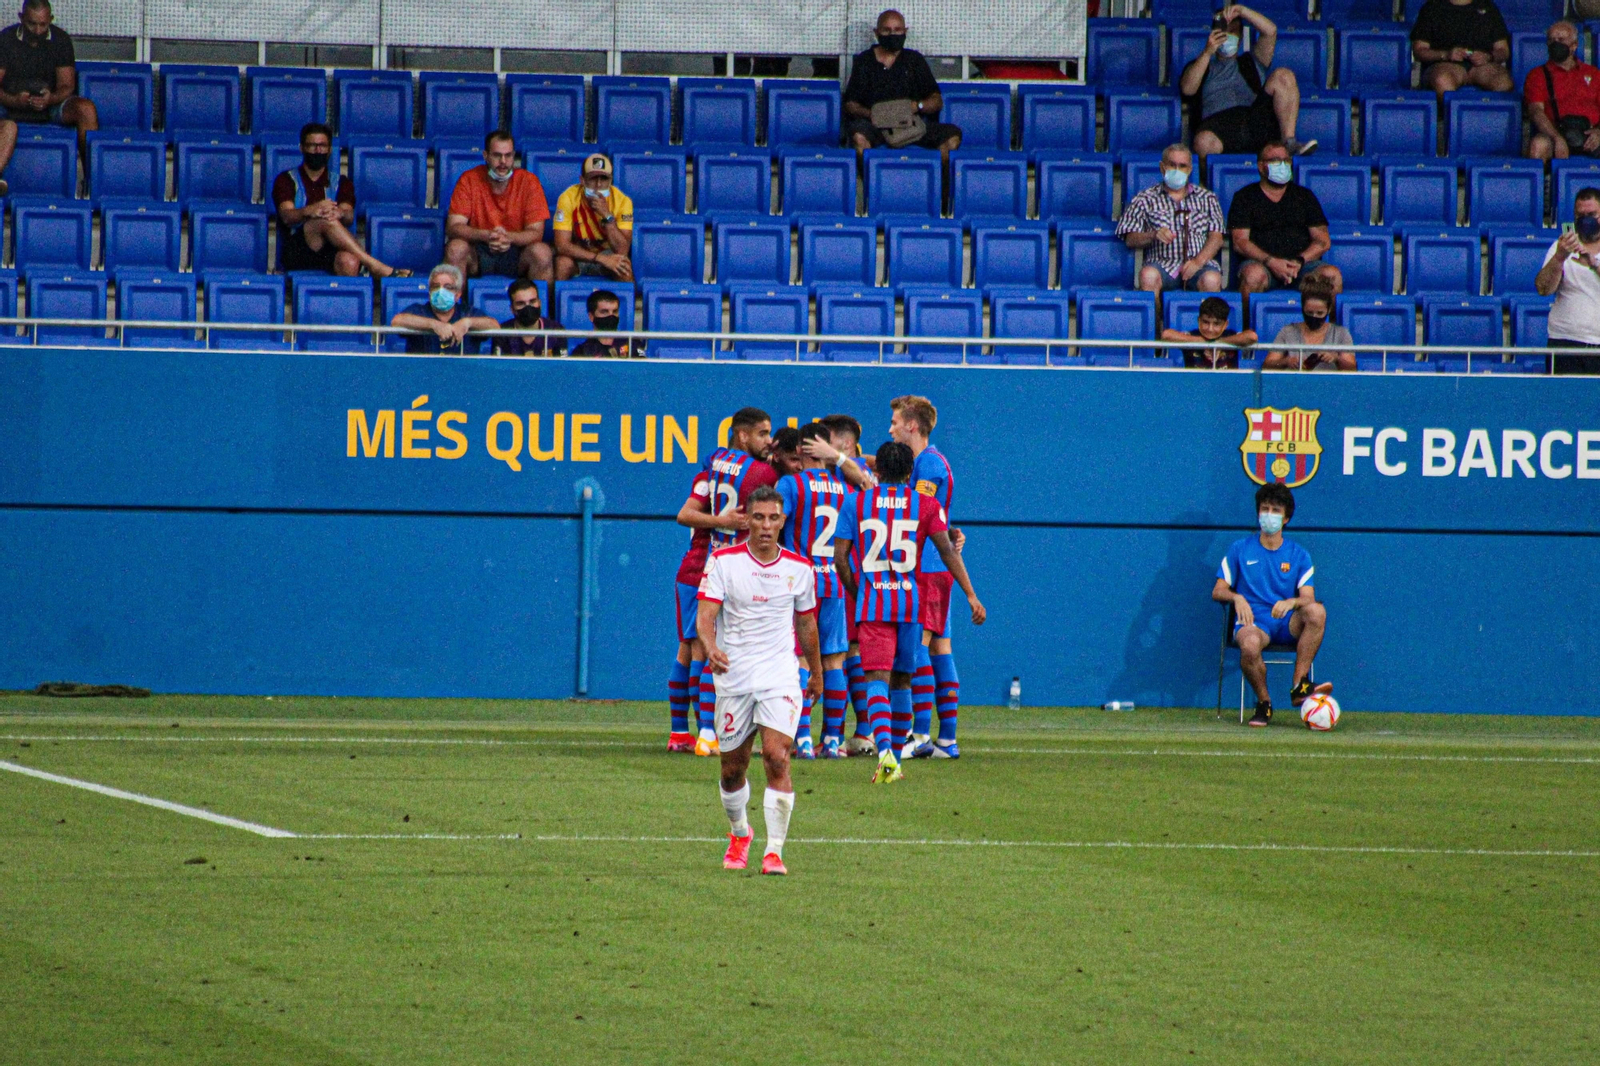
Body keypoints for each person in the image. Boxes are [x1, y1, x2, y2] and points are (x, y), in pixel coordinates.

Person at [833, 441, 985, 783]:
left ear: (878, 471)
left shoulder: (856, 503)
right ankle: (897, 756)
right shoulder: (926, 504)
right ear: (908, 472)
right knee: (903, 679)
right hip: (909, 605)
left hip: (873, 604)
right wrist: (971, 595)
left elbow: (841, 557)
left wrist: (858, 593)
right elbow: (947, 551)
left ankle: (887, 754)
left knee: (877, 679)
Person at [697, 487, 823, 877]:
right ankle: (740, 833)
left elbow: (806, 623)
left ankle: (775, 851)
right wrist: (710, 646)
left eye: (773, 518)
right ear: (746, 519)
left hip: (780, 675)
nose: (766, 526)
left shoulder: (800, 569)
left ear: (783, 521)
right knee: (732, 769)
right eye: (758, 518)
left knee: (776, 756)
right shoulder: (722, 562)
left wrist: (816, 673)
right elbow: (706, 615)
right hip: (734, 675)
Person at [689, 407, 781, 756]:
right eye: (762, 433)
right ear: (743, 436)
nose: (768, 441)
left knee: (708, 649)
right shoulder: (762, 471)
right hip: (741, 567)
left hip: (714, 562)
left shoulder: (714, 459)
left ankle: (705, 733)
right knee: (740, 653)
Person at [887, 396, 966, 760]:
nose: (890, 429)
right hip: (935, 567)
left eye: (894, 422)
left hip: (929, 570)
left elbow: (919, 513)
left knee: (920, 648)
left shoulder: (930, 466)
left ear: (912, 426)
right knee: (938, 648)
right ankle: (946, 741)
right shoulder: (925, 464)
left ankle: (920, 735)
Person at [1211, 482, 1329, 728]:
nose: (1269, 515)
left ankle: (1299, 685)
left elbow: (1308, 597)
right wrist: (1237, 597)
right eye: (1265, 509)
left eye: (1276, 511)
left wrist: (1292, 601)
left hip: (1287, 622)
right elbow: (1218, 590)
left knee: (1317, 611)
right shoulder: (1240, 549)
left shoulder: (1299, 555)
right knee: (1250, 645)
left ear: (1285, 518)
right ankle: (1264, 703)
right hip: (1253, 622)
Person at [777, 423, 854, 760]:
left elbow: (774, 526)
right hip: (834, 582)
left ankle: (804, 740)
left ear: (802, 449)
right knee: (834, 661)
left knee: (800, 661)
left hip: (801, 584)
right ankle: (833, 740)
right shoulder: (843, 489)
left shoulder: (790, 485)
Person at [668, 467, 749, 754]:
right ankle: (702, 731)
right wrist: (722, 520)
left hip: (706, 572)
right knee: (697, 650)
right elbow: (684, 514)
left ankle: (685, 732)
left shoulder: (717, 477)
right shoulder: (712, 478)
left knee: (691, 651)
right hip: (700, 572)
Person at [272, 123, 407, 279]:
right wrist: (311, 210)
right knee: (324, 220)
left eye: (322, 146)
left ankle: (348, 301)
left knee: (349, 261)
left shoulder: (341, 182)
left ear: (329, 150)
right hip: (297, 249)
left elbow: (349, 217)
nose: (317, 150)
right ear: (302, 147)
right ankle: (375, 266)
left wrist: (339, 212)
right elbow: (287, 216)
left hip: (331, 248)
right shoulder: (286, 180)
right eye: (312, 145)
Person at [1183, 5, 1316, 162]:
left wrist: (1242, 11)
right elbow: (1188, 89)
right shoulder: (1201, 65)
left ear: (1240, 38)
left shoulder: (1251, 62)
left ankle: (1289, 143)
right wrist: (1207, 52)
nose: (1228, 36)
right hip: (1217, 126)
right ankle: (1211, 180)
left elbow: (1270, 31)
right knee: (1203, 142)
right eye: (1224, 31)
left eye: (1234, 32)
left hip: (1255, 120)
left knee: (1284, 76)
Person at [842, 9, 963, 174]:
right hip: (876, 126)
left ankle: (938, 191)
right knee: (858, 137)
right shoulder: (865, 61)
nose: (893, 34)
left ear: (905, 32)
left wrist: (917, 106)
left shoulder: (914, 60)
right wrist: (873, 114)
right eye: (887, 30)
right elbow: (850, 104)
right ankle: (872, 189)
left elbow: (936, 100)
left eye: (898, 30)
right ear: (877, 33)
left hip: (912, 125)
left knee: (952, 136)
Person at [1229, 141, 1342, 295]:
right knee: (1252, 276)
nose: (1282, 165)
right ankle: (1245, 320)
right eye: (1275, 161)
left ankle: (1330, 320)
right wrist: (1272, 262)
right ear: (1261, 166)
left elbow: (1323, 241)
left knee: (1331, 276)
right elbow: (1240, 242)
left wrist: (1299, 262)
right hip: (1263, 264)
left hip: (1302, 267)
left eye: (1286, 160)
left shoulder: (1305, 196)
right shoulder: (1244, 197)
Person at [0, 0, 93, 187]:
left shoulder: (61, 40)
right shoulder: (6, 39)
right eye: (31, 24)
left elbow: (66, 86)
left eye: (43, 24)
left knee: (86, 109)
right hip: (10, 104)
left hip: (50, 104)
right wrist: (14, 100)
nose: (37, 30)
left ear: (50, 19)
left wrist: (50, 98)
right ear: (21, 18)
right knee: (8, 127)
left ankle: (92, 180)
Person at [1116, 143, 1228, 297]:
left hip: (1200, 264)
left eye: (1182, 166)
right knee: (1148, 276)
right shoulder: (1144, 198)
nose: (1177, 170)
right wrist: (1153, 235)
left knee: (1212, 280)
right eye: (1172, 165)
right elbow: (1130, 238)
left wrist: (1197, 262)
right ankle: (1155, 320)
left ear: (1189, 169)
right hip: (1161, 264)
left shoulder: (1208, 198)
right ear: (1162, 167)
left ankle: (1205, 321)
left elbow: (1217, 238)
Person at [445, 130, 554, 281]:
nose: (503, 161)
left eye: (508, 155)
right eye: (497, 155)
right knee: (455, 248)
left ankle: (540, 305)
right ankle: (456, 304)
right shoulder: (468, 179)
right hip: (479, 249)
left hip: (517, 251)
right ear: (486, 156)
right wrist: (487, 235)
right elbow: (454, 227)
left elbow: (536, 233)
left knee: (542, 252)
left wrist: (508, 237)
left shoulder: (529, 181)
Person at [1535, 188, 1600, 374]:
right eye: (1580, 215)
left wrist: (1593, 264)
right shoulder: (1560, 246)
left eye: (1592, 214)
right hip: (1565, 342)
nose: (1586, 219)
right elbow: (1543, 289)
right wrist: (1559, 258)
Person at [1524, 20, 1600, 162]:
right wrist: (1556, 138)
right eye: (1551, 40)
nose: (1555, 43)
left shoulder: (1594, 74)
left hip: (1591, 133)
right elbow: (1536, 111)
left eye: (1561, 39)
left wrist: (1599, 133)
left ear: (1574, 46)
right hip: (1556, 132)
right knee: (1538, 145)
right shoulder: (1537, 75)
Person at [552, 153, 634, 282]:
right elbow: (562, 246)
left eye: (604, 178)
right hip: (579, 254)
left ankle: (627, 302)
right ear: (582, 180)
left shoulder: (623, 201)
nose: (599, 184)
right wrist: (598, 258)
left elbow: (622, 249)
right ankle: (554, 302)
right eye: (593, 178)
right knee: (562, 263)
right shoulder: (568, 197)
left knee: (624, 266)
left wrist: (607, 215)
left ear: (611, 180)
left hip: (609, 255)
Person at [1410, 0, 1512, 98]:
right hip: (1445, 65)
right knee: (1442, 81)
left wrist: (1488, 57)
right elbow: (1419, 50)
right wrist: (1446, 55)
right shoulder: (1432, 8)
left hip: (1482, 66)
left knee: (1503, 82)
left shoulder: (1488, 7)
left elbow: (1503, 50)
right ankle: (1450, 115)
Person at [390, 263, 498, 355]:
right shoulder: (419, 310)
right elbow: (397, 321)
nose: (441, 291)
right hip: (423, 374)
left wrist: (467, 323)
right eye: (436, 286)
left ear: (458, 295)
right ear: (429, 292)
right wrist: (433, 325)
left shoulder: (468, 312)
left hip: (463, 373)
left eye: (448, 287)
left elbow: (494, 326)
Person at [1264, 277, 1354, 371]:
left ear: (1329, 310)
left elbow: (1353, 369)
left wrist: (1336, 359)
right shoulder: (1288, 331)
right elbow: (1267, 365)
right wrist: (1286, 361)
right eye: (1309, 313)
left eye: (1319, 313)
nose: (1314, 317)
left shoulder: (1341, 333)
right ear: (1303, 308)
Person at [1159, 295, 1258, 368]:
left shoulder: (1231, 336)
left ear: (1225, 325)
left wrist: (1219, 343)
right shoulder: (1192, 335)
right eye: (1206, 322)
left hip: (1226, 387)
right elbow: (1166, 335)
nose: (1210, 329)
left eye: (1216, 324)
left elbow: (1252, 337)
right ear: (1198, 320)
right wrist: (1203, 343)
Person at [492, 279, 563, 356]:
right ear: (512, 309)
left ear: (540, 303)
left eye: (532, 301)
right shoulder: (502, 333)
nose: (528, 307)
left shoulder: (556, 330)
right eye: (521, 303)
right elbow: (497, 366)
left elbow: (563, 366)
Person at [568, 289, 638, 358]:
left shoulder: (632, 344)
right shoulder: (582, 352)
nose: (611, 316)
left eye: (614, 312)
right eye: (604, 312)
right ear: (591, 317)